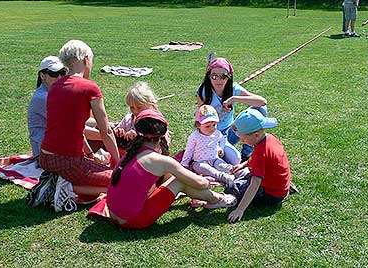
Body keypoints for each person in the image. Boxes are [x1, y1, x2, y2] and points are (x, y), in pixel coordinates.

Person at [106, 109, 237, 229]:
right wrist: (207, 183)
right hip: (133, 220)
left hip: (114, 214)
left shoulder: (130, 153)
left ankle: (213, 199)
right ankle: (217, 199)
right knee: (180, 180)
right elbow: (200, 183)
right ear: (161, 136)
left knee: (178, 178)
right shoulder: (160, 160)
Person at [39, 39, 120, 198]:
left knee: (95, 171)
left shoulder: (55, 87)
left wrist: (90, 155)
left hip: (45, 158)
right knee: (121, 180)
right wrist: (118, 164)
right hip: (69, 162)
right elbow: (107, 131)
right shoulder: (89, 87)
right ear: (86, 59)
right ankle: (64, 186)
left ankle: (60, 180)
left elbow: (72, 129)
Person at [225, 108, 291, 223]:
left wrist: (240, 210)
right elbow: (258, 159)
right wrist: (244, 165)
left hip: (271, 194)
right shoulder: (269, 139)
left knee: (231, 187)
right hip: (280, 187)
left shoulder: (262, 153)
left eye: (243, 138)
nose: (242, 141)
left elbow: (255, 184)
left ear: (255, 135)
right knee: (244, 176)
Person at [196, 57, 267, 163]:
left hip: (232, 130)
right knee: (234, 159)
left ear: (229, 77)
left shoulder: (233, 88)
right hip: (214, 134)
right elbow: (201, 122)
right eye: (214, 76)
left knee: (260, 109)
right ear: (209, 77)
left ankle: (247, 152)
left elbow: (262, 102)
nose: (218, 80)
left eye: (223, 76)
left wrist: (234, 98)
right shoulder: (203, 92)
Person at [181, 105, 239, 183]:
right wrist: (184, 164)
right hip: (200, 161)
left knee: (223, 166)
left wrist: (220, 147)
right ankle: (224, 177)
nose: (212, 128)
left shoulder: (217, 133)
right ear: (198, 125)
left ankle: (238, 172)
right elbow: (189, 150)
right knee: (203, 168)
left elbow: (222, 140)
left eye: (214, 125)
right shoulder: (195, 136)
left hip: (214, 159)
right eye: (207, 126)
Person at [27, 56, 67, 160]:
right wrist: (105, 133)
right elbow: (72, 125)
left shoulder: (56, 93)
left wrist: (109, 125)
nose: (59, 77)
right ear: (42, 76)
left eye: (62, 73)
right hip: (46, 154)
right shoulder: (43, 98)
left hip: (57, 145)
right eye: (54, 74)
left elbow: (79, 120)